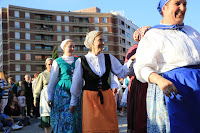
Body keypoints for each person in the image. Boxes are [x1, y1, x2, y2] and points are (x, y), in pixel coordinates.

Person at [134, 0, 200, 132]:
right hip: (175, 89)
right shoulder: (154, 35)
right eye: (178, 3)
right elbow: (142, 67)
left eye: (185, 4)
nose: (182, 8)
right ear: (164, 7)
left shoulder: (192, 32)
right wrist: (160, 80)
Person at [70, 31, 135, 132]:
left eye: (103, 40)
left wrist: (131, 60)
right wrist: (73, 102)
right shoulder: (81, 61)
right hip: (90, 99)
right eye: (100, 40)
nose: (103, 43)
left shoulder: (109, 58)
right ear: (92, 43)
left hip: (107, 97)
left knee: (109, 127)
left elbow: (121, 72)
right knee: (92, 128)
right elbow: (76, 84)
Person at [47, 39, 81, 133]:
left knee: (76, 116)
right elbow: (52, 80)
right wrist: (50, 96)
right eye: (70, 46)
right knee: (65, 117)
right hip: (62, 92)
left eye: (74, 47)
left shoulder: (78, 60)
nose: (72, 48)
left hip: (76, 90)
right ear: (64, 48)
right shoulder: (58, 61)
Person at [126, 26, 150, 133]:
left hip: (151, 83)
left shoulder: (154, 47)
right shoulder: (134, 49)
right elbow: (127, 69)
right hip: (138, 83)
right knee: (139, 109)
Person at [33, 58, 53, 133]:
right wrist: (35, 98)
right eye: (49, 64)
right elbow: (37, 87)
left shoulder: (57, 73)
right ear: (46, 65)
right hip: (45, 95)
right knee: (46, 115)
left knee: (54, 116)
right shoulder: (42, 75)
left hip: (55, 94)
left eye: (52, 64)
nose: (51, 66)